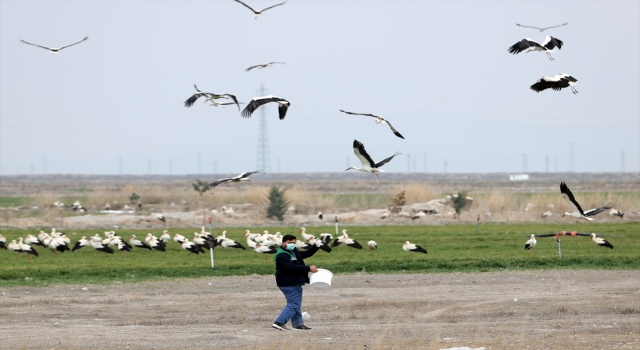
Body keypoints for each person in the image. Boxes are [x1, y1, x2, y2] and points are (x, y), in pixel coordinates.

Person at [272, 234, 322, 331]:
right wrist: (308, 268)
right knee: (294, 304)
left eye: (294, 243)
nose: (292, 244)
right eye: (290, 243)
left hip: (294, 282)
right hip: (288, 282)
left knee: (295, 304)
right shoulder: (281, 255)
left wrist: (316, 246)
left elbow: (305, 254)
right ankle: (279, 322)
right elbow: (291, 267)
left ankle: (298, 324)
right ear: (283, 243)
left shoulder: (292, 251)